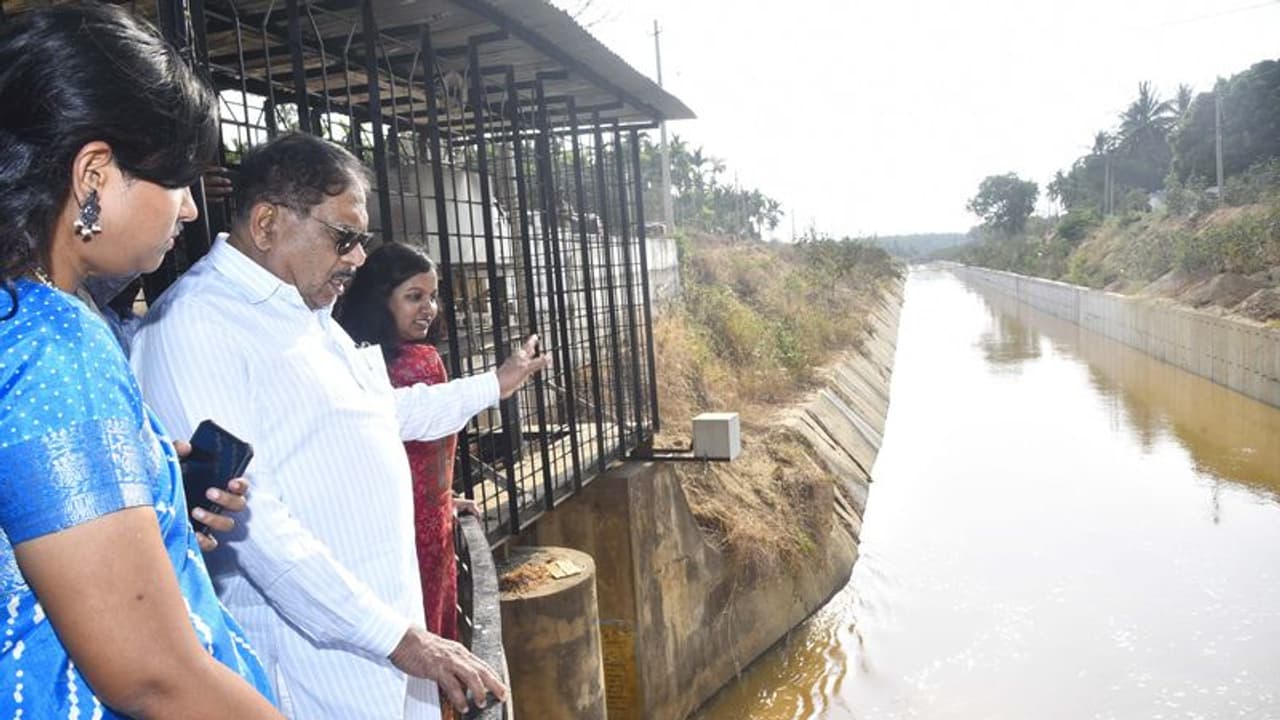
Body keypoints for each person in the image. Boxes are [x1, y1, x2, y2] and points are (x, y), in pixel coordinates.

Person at [131, 132, 543, 719]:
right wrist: (400, 639)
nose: (356, 257)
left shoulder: (309, 312)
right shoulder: (196, 327)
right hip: (313, 668)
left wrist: (496, 385)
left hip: (389, 650)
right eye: (344, 237)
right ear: (268, 223)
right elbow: (259, 528)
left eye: (360, 240)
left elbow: (383, 414)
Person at [0, 6, 282, 718]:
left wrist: (151, 505)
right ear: (94, 174)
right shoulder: (53, 345)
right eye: (178, 180)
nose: (189, 210)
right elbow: (155, 678)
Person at [338, 243, 478, 648]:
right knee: (434, 644)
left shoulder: (354, 362)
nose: (428, 308)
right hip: (424, 534)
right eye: (413, 297)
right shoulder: (421, 362)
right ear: (381, 300)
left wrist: (443, 497)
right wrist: (440, 500)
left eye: (432, 297)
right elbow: (432, 443)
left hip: (385, 531)